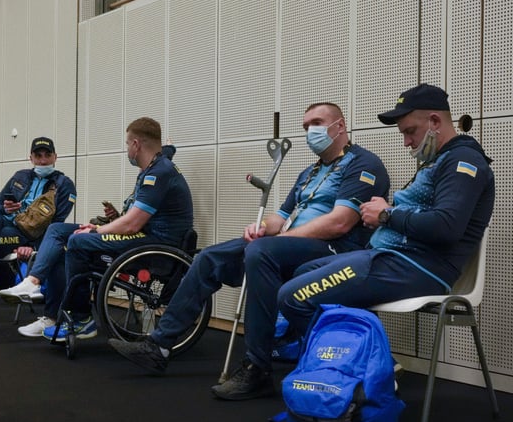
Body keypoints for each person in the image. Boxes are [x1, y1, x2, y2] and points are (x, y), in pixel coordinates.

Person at [218, 84, 493, 401]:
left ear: (434, 121)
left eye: (410, 131)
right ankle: (368, 363)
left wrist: (387, 215)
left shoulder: (463, 162)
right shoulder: (439, 161)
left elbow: (446, 227)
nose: (407, 142)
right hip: (388, 259)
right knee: (300, 272)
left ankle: (357, 374)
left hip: (415, 268)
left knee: (292, 297)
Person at [109, 103, 390, 381]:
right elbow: (280, 217)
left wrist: (280, 239)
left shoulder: (363, 164)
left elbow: (340, 222)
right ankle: (158, 346)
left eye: (316, 123)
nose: (310, 132)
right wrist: (262, 226)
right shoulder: (310, 173)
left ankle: (257, 366)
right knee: (209, 258)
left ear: (340, 126)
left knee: (260, 251)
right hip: (289, 247)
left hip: (336, 251)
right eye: (306, 126)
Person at [0, 117, 193, 341]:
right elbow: (134, 218)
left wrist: (97, 231)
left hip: (155, 245)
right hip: (145, 237)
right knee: (57, 231)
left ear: (136, 144)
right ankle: (33, 284)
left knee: (77, 242)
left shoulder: (158, 173)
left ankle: (81, 319)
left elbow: (132, 224)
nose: (127, 149)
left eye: (127, 144)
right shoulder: (155, 167)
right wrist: (99, 226)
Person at [0, 137, 77, 328]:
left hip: (27, 236)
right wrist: (6, 209)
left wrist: (32, 246)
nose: (43, 160)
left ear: (55, 157)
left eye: (47, 155)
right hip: (5, 226)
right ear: (31, 158)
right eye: (38, 156)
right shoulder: (20, 177)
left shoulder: (64, 184)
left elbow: (56, 226)